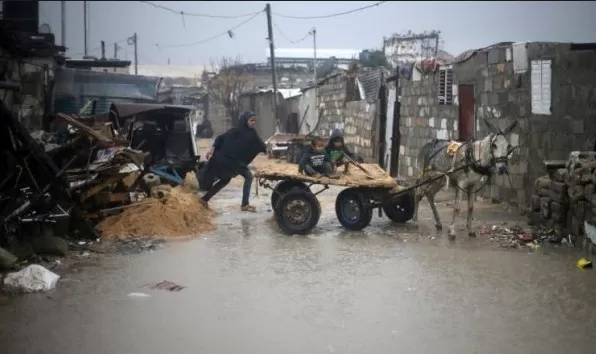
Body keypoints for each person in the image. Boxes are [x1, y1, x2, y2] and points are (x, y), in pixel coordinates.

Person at [199, 111, 266, 212]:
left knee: (225, 180)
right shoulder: (236, 131)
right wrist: (212, 149)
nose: (253, 123)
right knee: (248, 176)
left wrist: (266, 148)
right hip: (227, 159)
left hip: (236, 161)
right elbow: (220, 138)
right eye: (251, 120)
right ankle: (245, 204)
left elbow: (260, 143)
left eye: (254, 121)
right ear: (245, 121)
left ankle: (204, 199)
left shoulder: (252, 133)